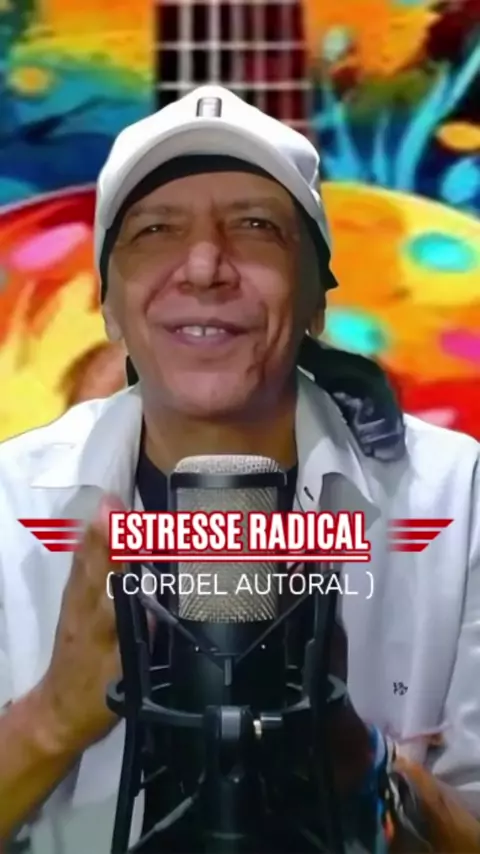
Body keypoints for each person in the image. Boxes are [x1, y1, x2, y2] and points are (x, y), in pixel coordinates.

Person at [0, 84, 479, 854]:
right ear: (110, 306)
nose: (203, 266)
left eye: (256, 227)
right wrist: (52, 716)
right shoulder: (8, 504)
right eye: (155, 230)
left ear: (317, 300)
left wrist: (357, 763)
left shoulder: (460, 497)